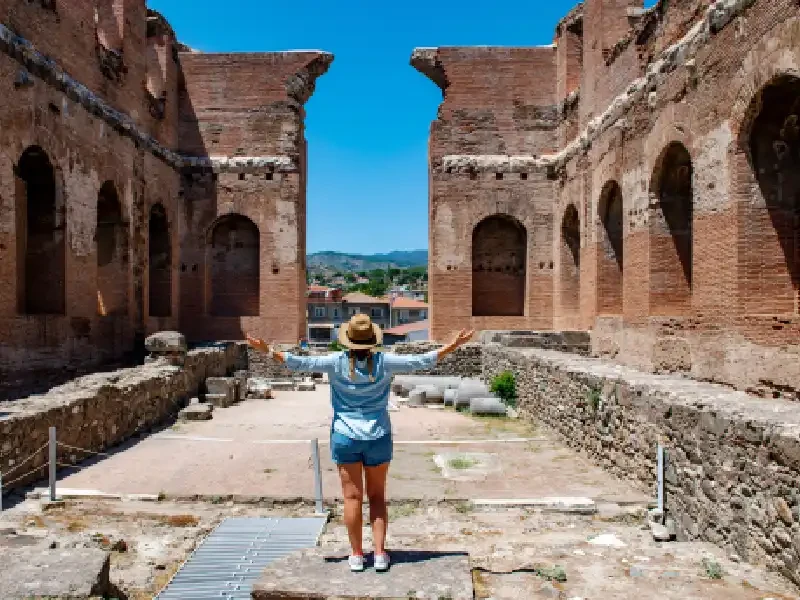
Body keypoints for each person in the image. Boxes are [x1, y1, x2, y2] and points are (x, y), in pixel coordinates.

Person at [247, 314, 474, 573]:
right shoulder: (385, 362)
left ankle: (355, 555)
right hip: (378, 435)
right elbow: (421, 360)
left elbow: (299, 363)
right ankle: (379, 553)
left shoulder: (334, 362)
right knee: (377, 497)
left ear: (348, 341)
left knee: (351, 498)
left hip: (345, 436)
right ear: (372, 341)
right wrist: (453, 345)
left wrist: (268, 350)